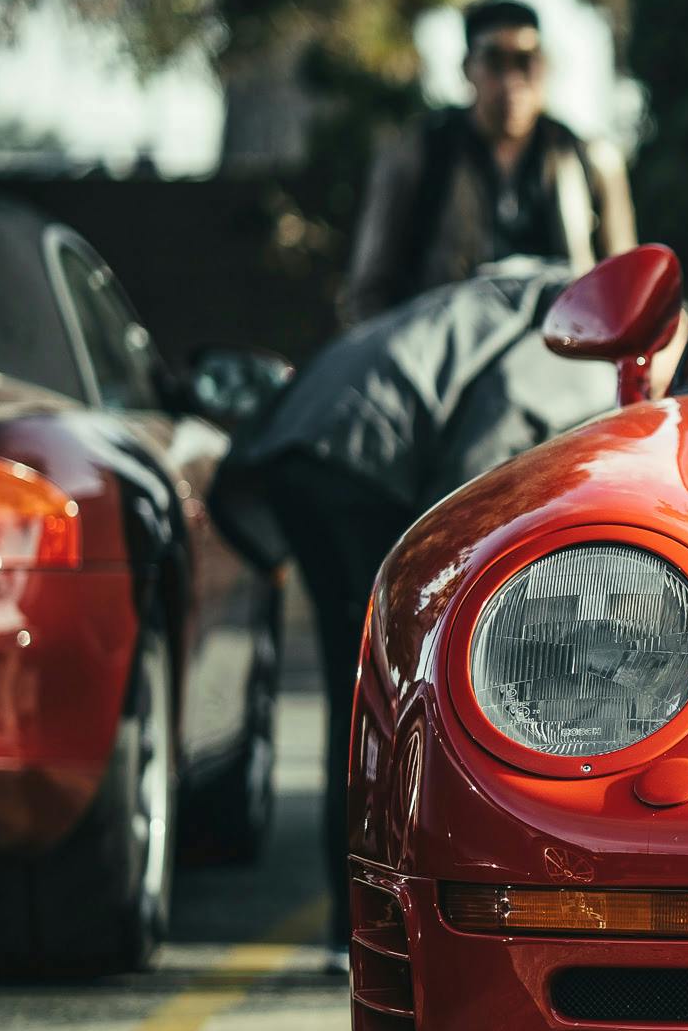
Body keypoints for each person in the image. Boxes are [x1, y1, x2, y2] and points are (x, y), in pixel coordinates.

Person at [210, 265, 622, 963]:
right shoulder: (585, 329)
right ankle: (379, 928)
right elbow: (495, 437)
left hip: (298, 442)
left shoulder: (496, 294)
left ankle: (350, 925)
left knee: (357, 683)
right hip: (365, 457)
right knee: (400, 690)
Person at [339, 0, 637, 325]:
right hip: (445, 359)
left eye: (525, 61)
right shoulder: (415, 157)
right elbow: (368, 291)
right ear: (467, 68)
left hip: (565, 351)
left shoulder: (591, 160)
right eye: (494, 61)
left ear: (544, 66)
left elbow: (624, 286)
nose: (511, 80)